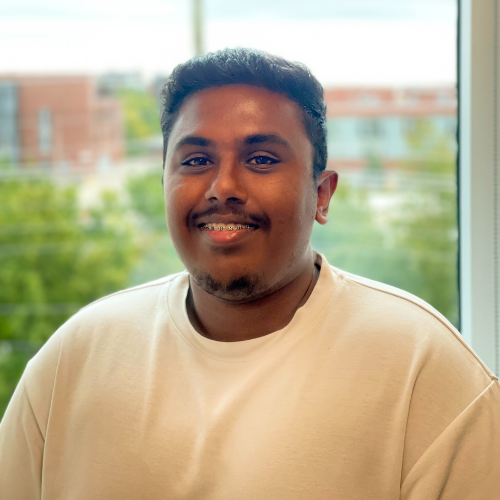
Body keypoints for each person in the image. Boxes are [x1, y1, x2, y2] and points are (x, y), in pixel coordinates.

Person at [0, 48, 499, 499]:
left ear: (322, 194)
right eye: (196, 160)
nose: (224, 186)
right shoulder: (75, 358)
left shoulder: (425, 369)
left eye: (261, 159)